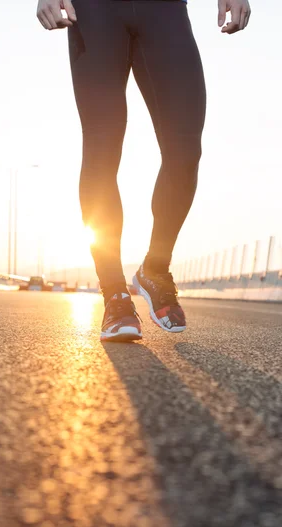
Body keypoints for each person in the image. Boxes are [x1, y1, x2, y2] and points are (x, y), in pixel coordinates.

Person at [36, 0, 251, 342]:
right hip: (94, 11)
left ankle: (155, 268)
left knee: (185, 150)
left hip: (163, 10)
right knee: (101, 148)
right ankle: (115, 295)